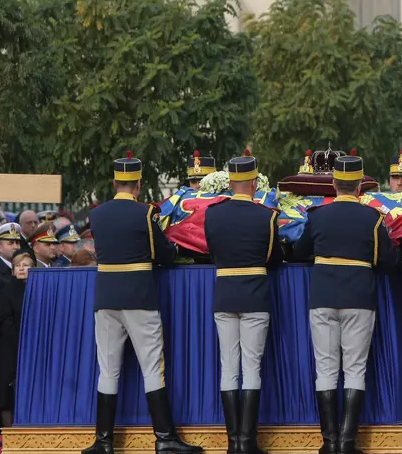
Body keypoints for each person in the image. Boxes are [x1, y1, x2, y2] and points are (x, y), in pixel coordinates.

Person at [82, 152, 202, 454]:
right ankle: (164, 438)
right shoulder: (145, 214)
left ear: (115, 183)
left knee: (107, 370)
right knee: (152, 368)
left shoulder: (96, 215)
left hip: (106, 299)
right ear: (137, 184)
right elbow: (163, 254)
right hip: (139, 298)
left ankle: (103, 441)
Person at [295, 150, 398, 454]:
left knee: (326, 369)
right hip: (358, 299)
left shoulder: (317, 216)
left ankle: (329, 443)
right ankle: (347, 442)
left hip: (324, 298)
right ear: (359, 186)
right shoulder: (372, 219)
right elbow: (388, 261)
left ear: (334, 184)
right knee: (354, 369)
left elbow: (301, 251)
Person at [204, 150, 284, 454]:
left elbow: (213, 252)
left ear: (230, 182)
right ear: (253, 182)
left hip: (224, 294)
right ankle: (247, 442)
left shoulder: (213, 214)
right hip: (255, 296)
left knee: (229, 368)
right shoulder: (267, 216)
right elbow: (274, 257)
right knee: (252, 367)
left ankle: (232, 442)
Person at [0, 248, 36, 427]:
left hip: (35, 348)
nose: (21, 269)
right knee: (8, 393)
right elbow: (4, 321)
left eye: (26, 265)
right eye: (18, 266)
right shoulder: (6, 291)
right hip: (12, 348)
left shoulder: (41, 291)